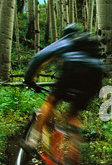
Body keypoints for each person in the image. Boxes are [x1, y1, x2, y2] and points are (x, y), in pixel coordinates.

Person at [22, 24, 104, 157]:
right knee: (73, 114)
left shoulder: (67, 40)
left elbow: (39, 58)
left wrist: (29, 79)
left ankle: (32, 141)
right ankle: (74, 155)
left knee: (51, 101)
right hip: (95, 76)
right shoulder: (89, 43)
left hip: (72, 70)